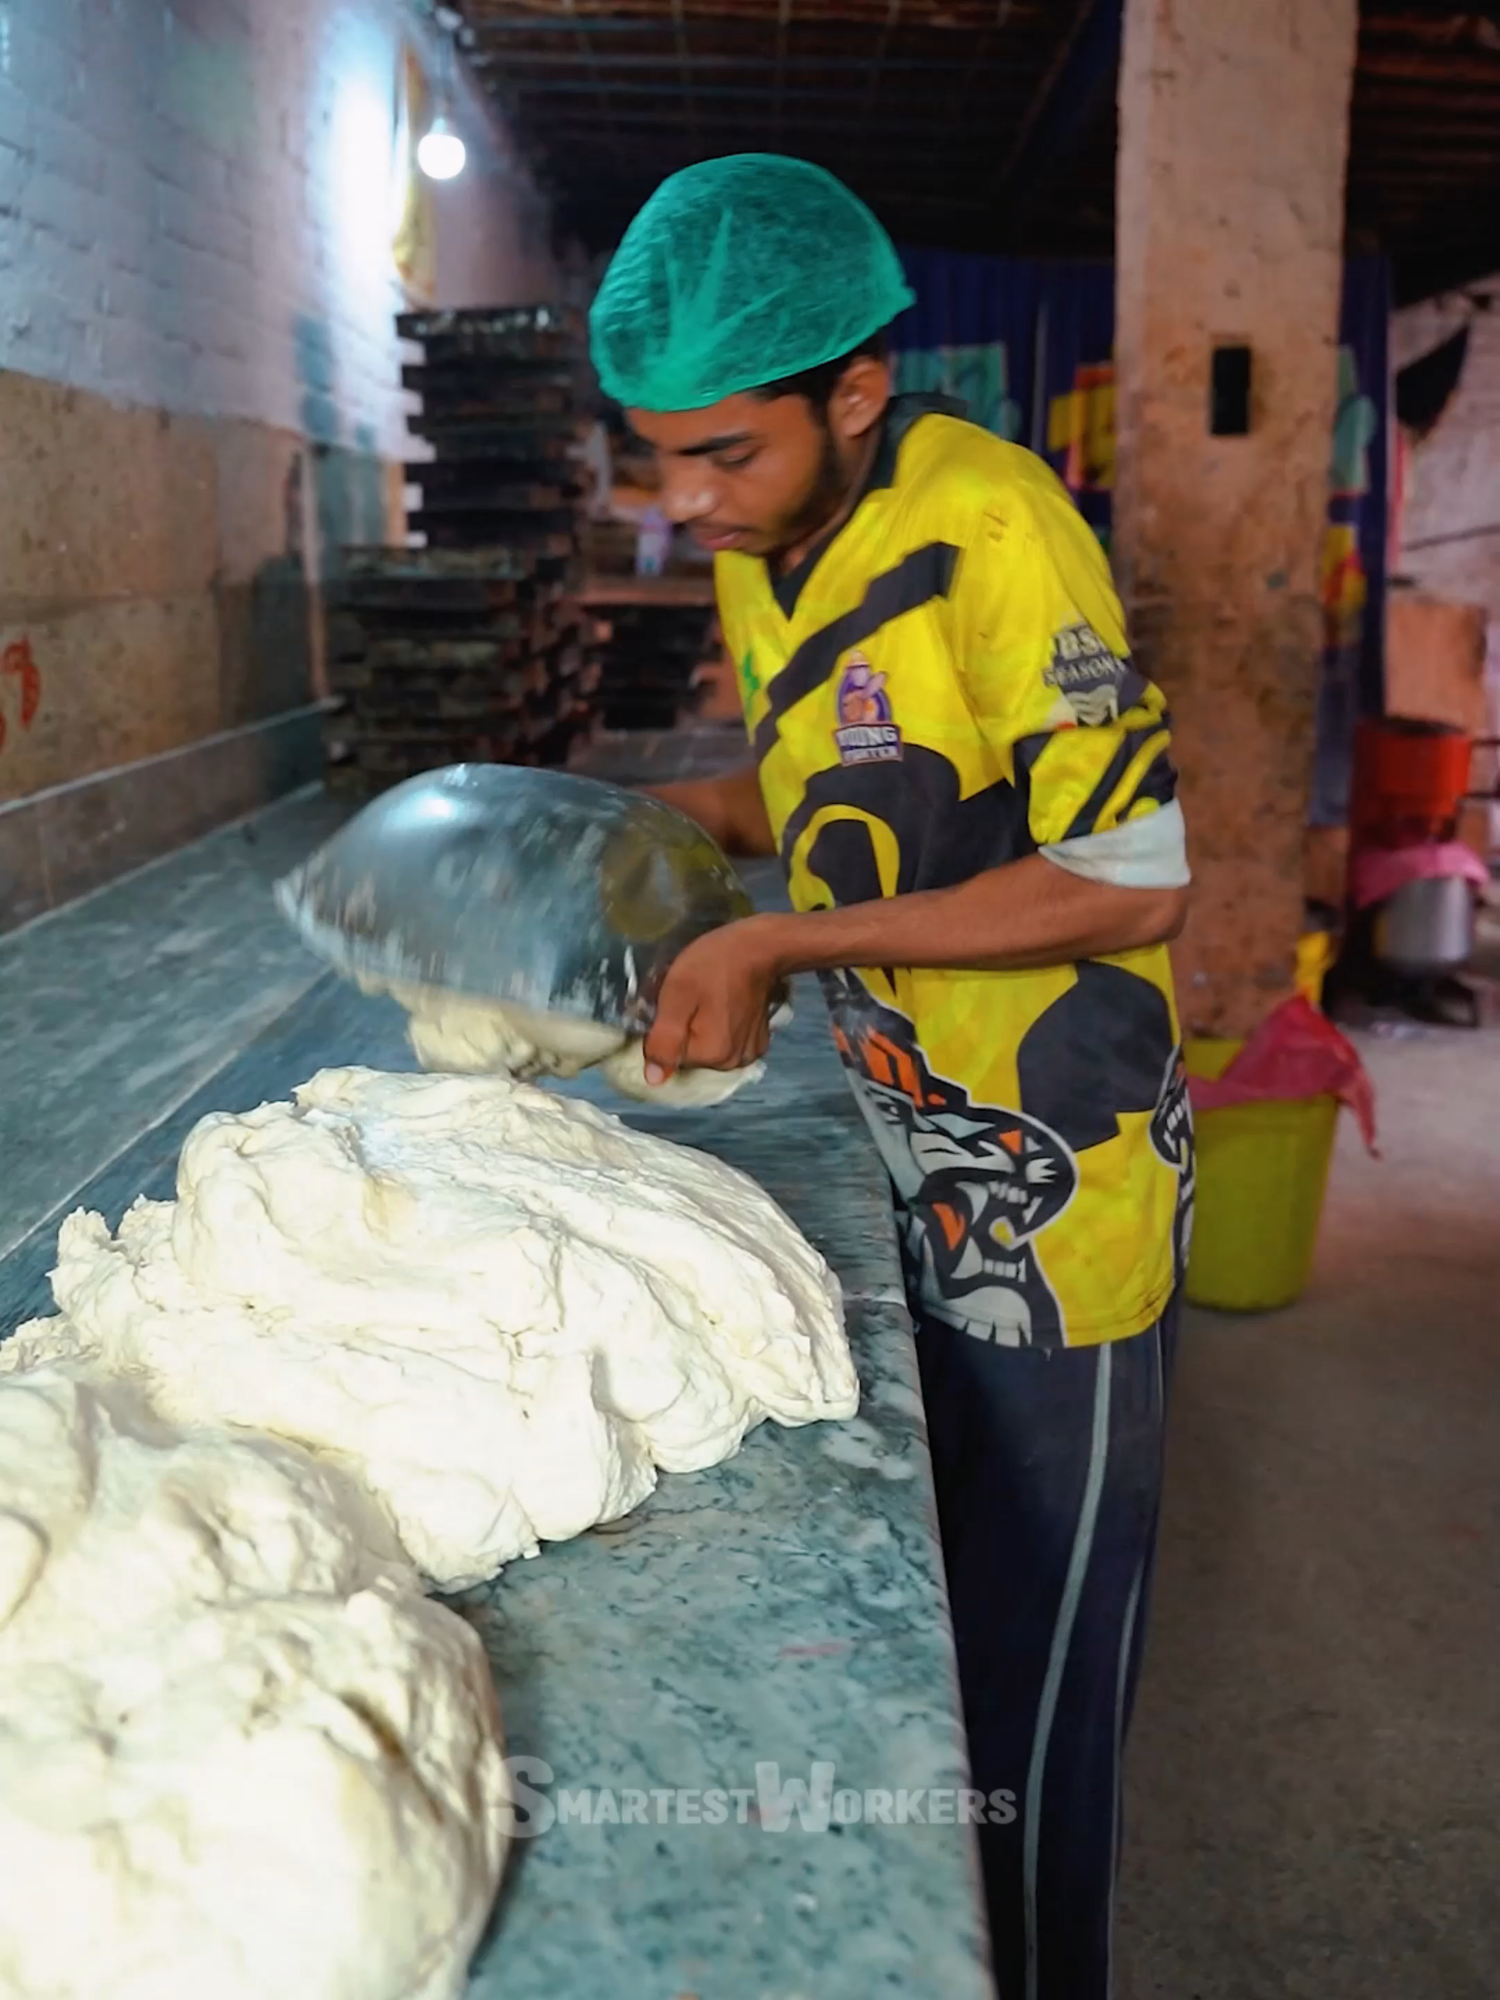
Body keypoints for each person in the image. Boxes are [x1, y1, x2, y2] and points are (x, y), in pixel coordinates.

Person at [589, 154, 1194, 2000]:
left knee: (1037, 1674)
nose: (686, 503)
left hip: (1056, 1176)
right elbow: (839, 792)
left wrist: (775, 945)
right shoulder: (771, 545)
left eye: (723, 453)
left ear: (854, 393)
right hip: (910, 1137)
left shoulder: (991, 526)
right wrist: (644, 819)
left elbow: (1132, 874)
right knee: (939, 1641)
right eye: (657, 458)